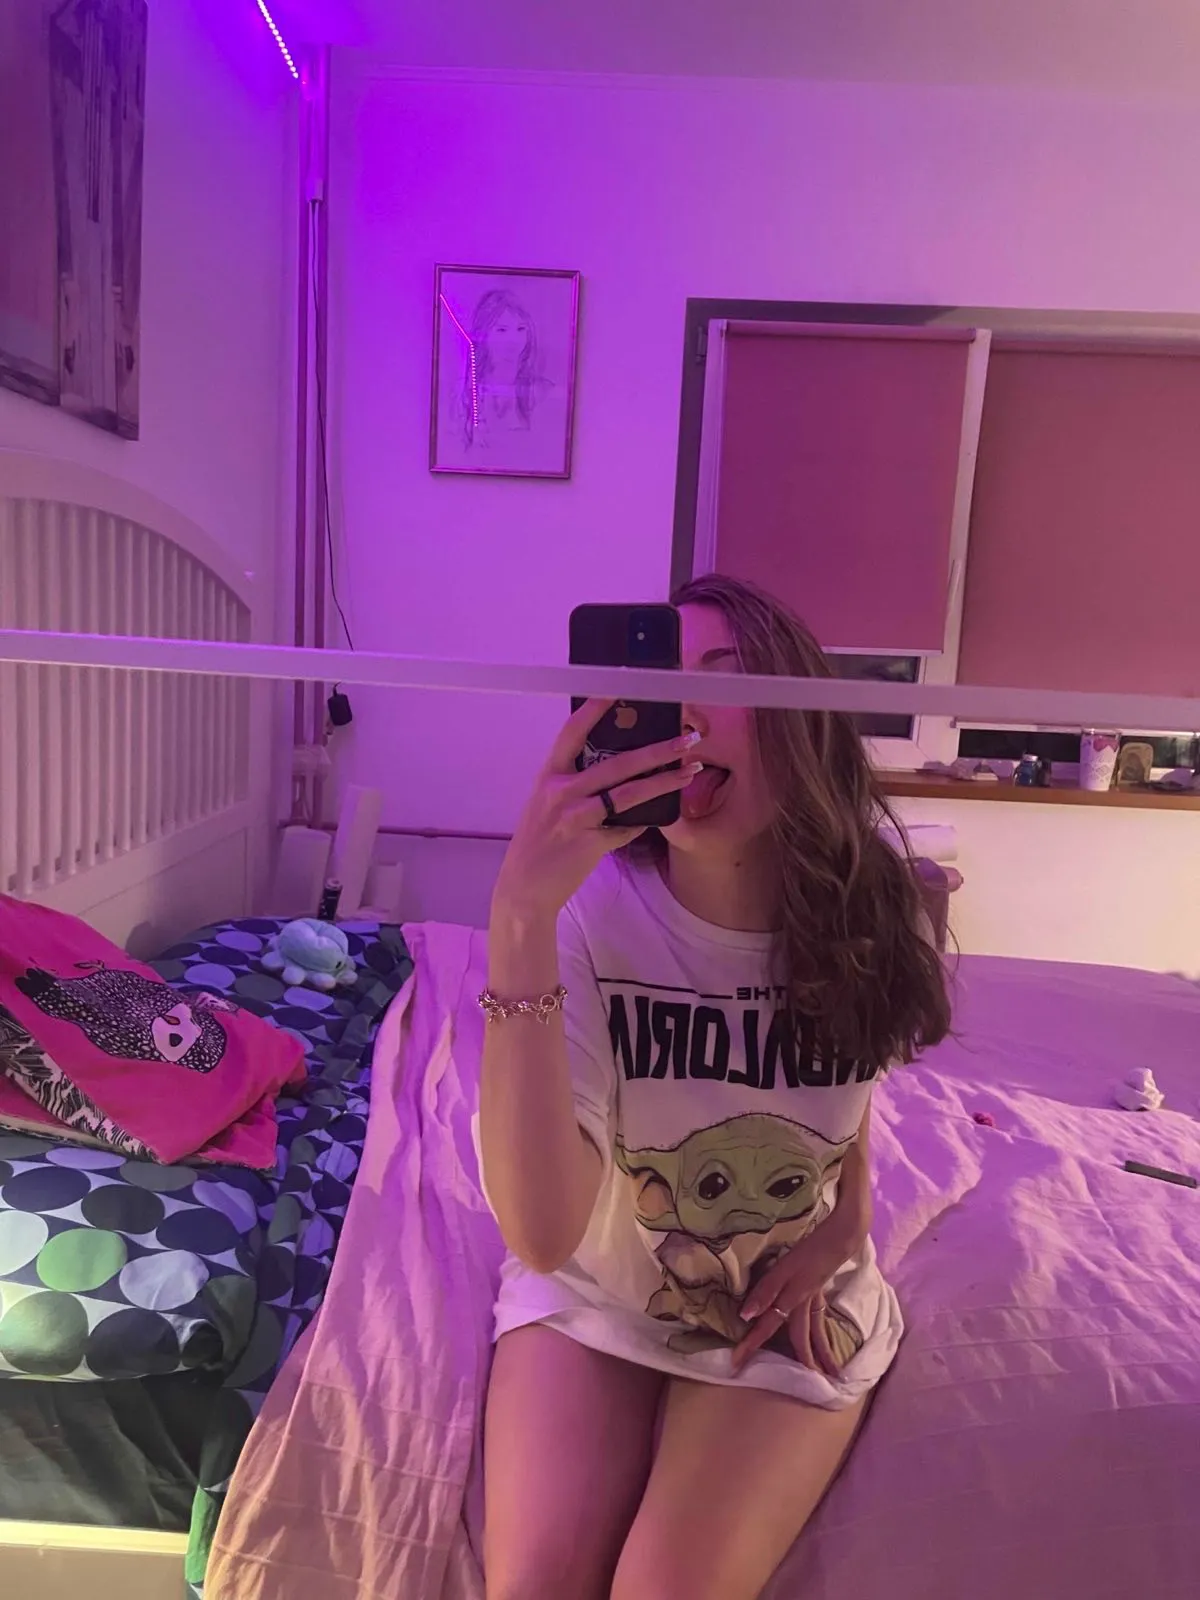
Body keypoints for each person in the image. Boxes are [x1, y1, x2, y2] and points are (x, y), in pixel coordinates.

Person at [478, 573, 951, 1600]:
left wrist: (847, 1218)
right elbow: (545, 1237)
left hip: (780, 1302)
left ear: (801, 718)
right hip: (597, 1290)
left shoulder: (880, 908)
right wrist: (518, 917)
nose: (683, 709)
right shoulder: (586, 913)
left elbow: (847, 1087)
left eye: (723, 677)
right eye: (658, 684)